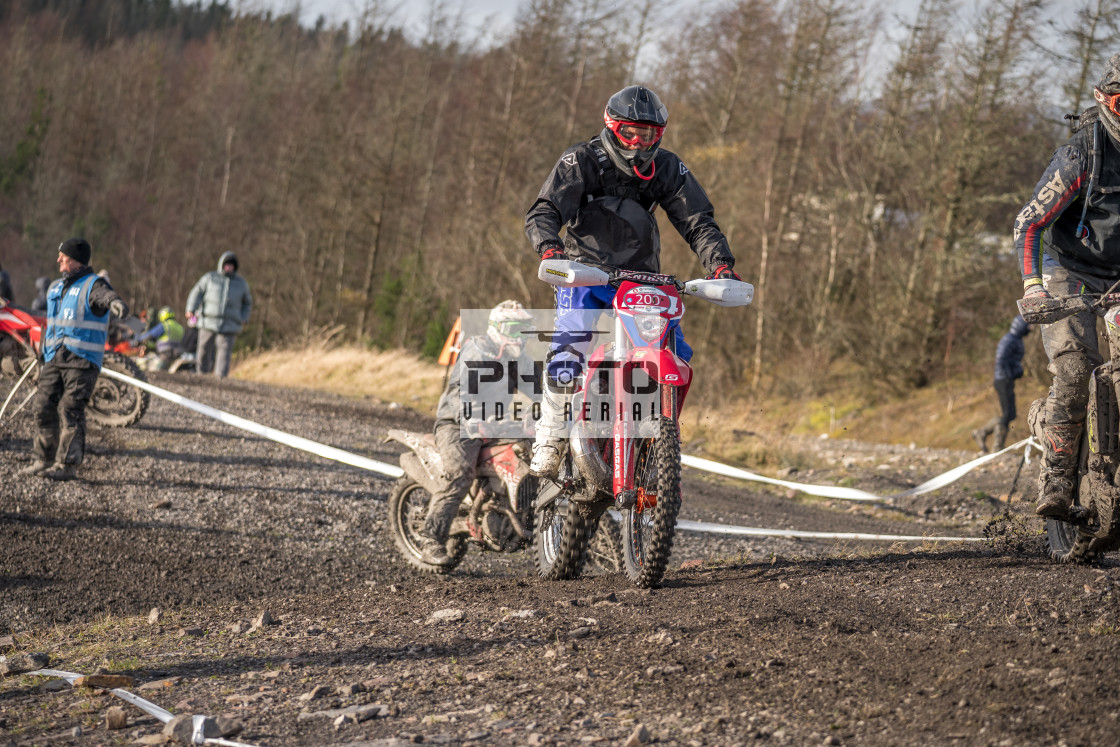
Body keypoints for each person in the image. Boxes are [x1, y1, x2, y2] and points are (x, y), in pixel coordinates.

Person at [524, 85, 740, 479]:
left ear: (660, 134)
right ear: (612, 127)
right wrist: (550, 249)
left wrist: (720, 266)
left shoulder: (668, 168)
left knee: (678, 353)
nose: (639, 143)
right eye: (630, 133)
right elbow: (545, 209)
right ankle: (551, 438)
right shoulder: (582, 160)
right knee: (569, 351)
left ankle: (654, 437)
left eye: (648, 135)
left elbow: (698, 221)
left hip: (643, 279)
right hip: (584, 274)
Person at [1014, 53, 1120, 519]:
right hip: (1068, 271)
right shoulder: (1082, 152)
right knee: (1077, 369)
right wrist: (1034, 287)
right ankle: (1057, 481)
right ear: (1104, 100)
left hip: (1118, 277)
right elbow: (1029, 224)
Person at [418, 300, 535, 566]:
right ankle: (430, 540)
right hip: (457, 424)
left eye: (525, 330)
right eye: (516, 329)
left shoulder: (518, 359)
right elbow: (462, 392)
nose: (521, 337)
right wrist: (476, 416)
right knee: (460, 474)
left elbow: (540, 390)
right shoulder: (478, 351)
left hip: (493, 423)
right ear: (499, 328)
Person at [18, 238, 129, 481]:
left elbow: (106, 296)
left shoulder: (93, 284)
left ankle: (67, 465)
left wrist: (116, 303)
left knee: (70, 409)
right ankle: (42, 459)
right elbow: (49, 320)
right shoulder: (55, 287)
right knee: (42, 406)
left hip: (81, 360)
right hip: (53, 357)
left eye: (63, 256)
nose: (58, 260)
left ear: (76, 259)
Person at [186, 251, 252, 378]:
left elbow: (247, 303)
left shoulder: (241, 284)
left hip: (230, 323)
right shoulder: (209, 278)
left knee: (225, 353)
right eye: (227, 264)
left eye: (231, 265)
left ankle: (220, 380)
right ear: (221, 264)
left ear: (235, 267)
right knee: (203, 349)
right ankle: (201, 375)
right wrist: (191, 309)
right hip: (208, 321)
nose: (229, 267)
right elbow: (196, 293)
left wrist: (244, 317)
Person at [972, 316, 1030, 453]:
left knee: (1011, 414)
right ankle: (997, 446)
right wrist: (1010, 374)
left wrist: (1017, 371)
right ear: (1021, 326)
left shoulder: (1016, 340)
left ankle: (981, 433)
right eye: (1028, 325)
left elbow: (1012, 361)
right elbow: (1001, 359)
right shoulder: (1009, 340)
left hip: (1007, 379)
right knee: (1007, 413)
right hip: (1003, 380)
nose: (1030, 328)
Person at [135, 306, 185, 370]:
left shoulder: (164, 325)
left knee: (157, 372)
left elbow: (150, 335)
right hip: (178, 354)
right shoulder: (180, 327)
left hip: (165, 354)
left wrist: (138, 341)